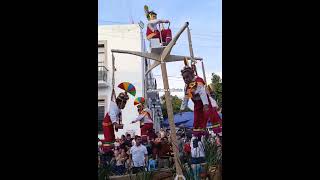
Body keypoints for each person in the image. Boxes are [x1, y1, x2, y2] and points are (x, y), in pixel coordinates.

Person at [180, 58, 222, 137]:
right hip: (197, 104)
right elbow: (186, 97)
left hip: (205, 102)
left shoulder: (198, 81)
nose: (186, 79)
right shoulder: (187, 87)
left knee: (212, 114)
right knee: (197, 118)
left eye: (187, 77)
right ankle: (198, 134)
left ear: (192, 75)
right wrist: (182, 108)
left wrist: (205, 104)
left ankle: (219, 131)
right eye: (184, 78)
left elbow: (202, 93)